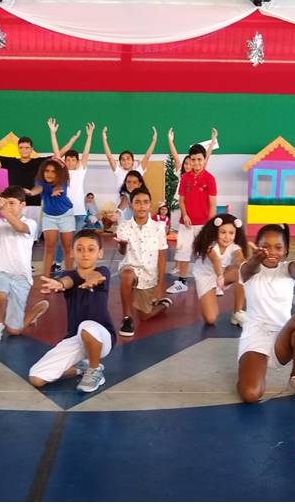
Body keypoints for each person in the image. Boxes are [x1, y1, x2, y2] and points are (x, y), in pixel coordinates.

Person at [237, 223, 295, 404]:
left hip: (282, 339)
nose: (272, 252)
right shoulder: (247, 270)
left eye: (278, 247)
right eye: (265, 247)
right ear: (257, 247)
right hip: (255, 339)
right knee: (250, 394)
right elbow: (250, 268)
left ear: (286, 250)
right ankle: (248, 371)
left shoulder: (288, 270)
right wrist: (255, 259)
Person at [29, 229, 116, 393]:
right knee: (36, 378)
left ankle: (95, 370)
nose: (85, 254)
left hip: (102, 338)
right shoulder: (69, 274)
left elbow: (95, 276)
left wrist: (92, 279)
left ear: (100, 253)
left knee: (86, 326)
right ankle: (81, 368)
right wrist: (60, 284)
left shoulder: (103, 272)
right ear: (72, 252)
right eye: (80, 249)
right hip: (76, 338)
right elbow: (68, 280)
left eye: (91, 249)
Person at [0, 187, 49, 341]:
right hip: (1, 271)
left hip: (22, 277)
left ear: (23, 205)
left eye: (12, 203)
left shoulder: (31, 223)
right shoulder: (1, 223)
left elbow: (19, 227)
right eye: (5, 203)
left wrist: (2, 209)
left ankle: (38, 309)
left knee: (14, 330)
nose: (7, 206)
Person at [0, 119, 46, 229]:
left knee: (32, 233)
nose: (24, 150)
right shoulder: (11, 162)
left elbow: (57, 157)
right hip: (12, 203)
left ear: (31, 149)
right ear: (18, 149)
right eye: (21, 147)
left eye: (27, 147)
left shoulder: (39, 162)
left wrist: (53, 134)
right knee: (11, 230)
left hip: (33, 204)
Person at [116, 187, 171, 337]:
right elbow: (122, 252)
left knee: (145, 315)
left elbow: (162, 256)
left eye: (145, 202)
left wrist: (160, 284)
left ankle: (163, 304)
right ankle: (127, 319)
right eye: (137, 202)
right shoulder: (124, 226)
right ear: (131, 205)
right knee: (127, 275)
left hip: (149, 275)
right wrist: (122, 246)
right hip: (131, 268)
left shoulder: (158, 228)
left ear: (150, 205)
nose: (141, 206)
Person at [167, 143, 217, 294]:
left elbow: (213, 205)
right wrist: (185, 215)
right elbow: (181, 201)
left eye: (199, 159)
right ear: (190, 159)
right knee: (183, 252)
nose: (196, 163)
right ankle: (182, 282)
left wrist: (209, 226)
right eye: (193, 160)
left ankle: (212, 283)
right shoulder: (185, 178)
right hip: (186, 224)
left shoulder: (210, 179)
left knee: (207, 253)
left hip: (204, 224)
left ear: (204, 159)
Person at [49, 117, 94, 273]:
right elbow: (56, 153)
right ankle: (57, 262)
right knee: (63, 241)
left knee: (78, 241)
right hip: (65, 212)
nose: (69, 162)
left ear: (77, 161)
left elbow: (86, 153)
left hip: (79, 212)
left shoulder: (81, 171)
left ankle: (76, 265)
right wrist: (53, 133)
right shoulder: (62, 171)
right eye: (67, 160)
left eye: (73, 160)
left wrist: (89, 136)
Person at [192, 213, 248, 326]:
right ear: (216, 232)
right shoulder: (211, 246)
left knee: (241, 271)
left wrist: (250, 263)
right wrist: (220, 276)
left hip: (222, 275)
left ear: (236, 234)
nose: (227, 237)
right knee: (211, 319)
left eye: (231, 233)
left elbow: (240, 259)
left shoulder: (234, 247)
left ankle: (237, 313)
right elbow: (216, 261)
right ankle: (208, 293)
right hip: (206, 277)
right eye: (223, 232)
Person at [26, 159, 75, 276]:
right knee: (49, 247)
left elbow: (58, 188)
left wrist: (56, 191)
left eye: (53, 171)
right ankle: (46, 278)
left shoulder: (62, 181)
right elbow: (38, 188)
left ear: (58, 173)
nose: (49, 174)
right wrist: (31, 193)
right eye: (47, 171)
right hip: (49, 216)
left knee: (67, 247)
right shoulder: (40, 182)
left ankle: (69, 278)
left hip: (66, 215)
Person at [102, 126, 157, 193]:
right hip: (122, 199)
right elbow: (109, 157)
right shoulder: (119, 172)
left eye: (128, 159)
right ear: (120, 163)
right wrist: (104, 139)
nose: (126, 161)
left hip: (136, 199)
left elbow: (147, 157)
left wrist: (154, 140)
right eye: (123, 159)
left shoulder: (138, 171)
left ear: (132, 161)